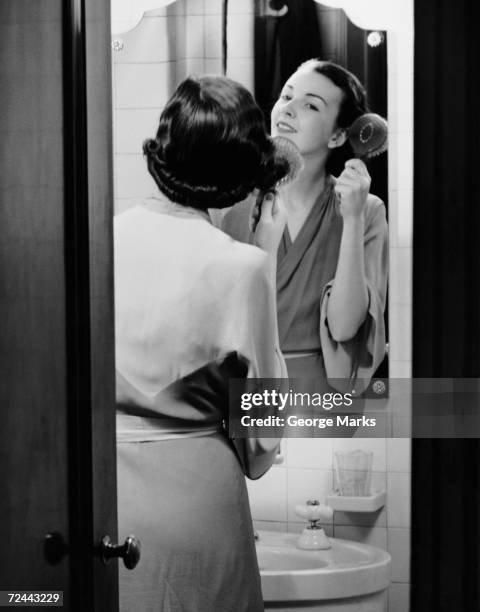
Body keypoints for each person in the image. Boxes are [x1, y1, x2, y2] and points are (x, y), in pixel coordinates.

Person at [114, 75, 288, 611]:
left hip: (102, 493)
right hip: (198, 503)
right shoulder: (243, 266)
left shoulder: (97, 240)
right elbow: (260, 440)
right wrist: (264, 255)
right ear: (240, 176)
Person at [218, 59, 388, 400]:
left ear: (339, 135)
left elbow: (343, 327)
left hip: (325, 396)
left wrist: (352, 220)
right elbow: (229, 328)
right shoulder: (237, 209)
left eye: (310, 104)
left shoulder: (366, 211)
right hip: (253, 389)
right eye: (286, 97)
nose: (288, 110)